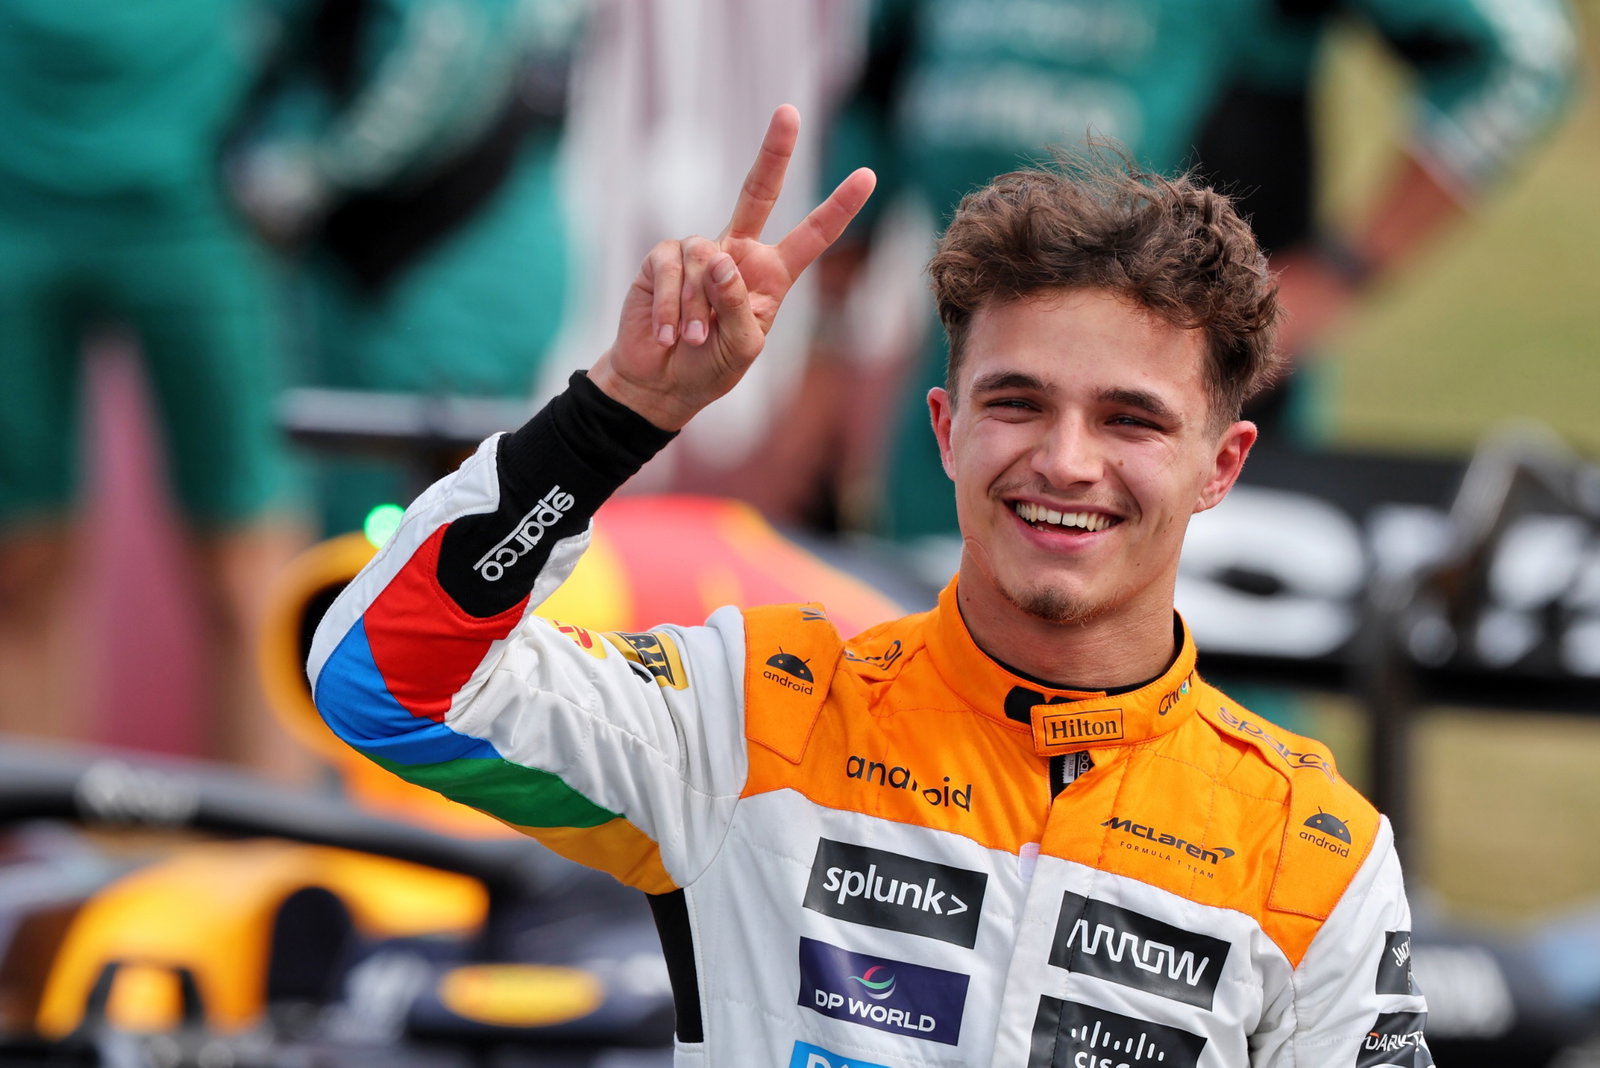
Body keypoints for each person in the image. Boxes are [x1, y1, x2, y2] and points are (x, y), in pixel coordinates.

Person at [309, 107, 1430, 1064]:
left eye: (1130, 419)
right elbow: (379, 684)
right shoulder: (754, 721)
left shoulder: (1308, 848)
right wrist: (617, 414)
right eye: (1016, 403)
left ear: (1219, 467)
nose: (1065, 461)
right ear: (943, 432)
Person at [0, 0, 310, 778]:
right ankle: (35, 886)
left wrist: (306, 155)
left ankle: (266, 873)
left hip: (196, 212)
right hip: (16, 210)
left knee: (250, 574)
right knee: (20, 572)